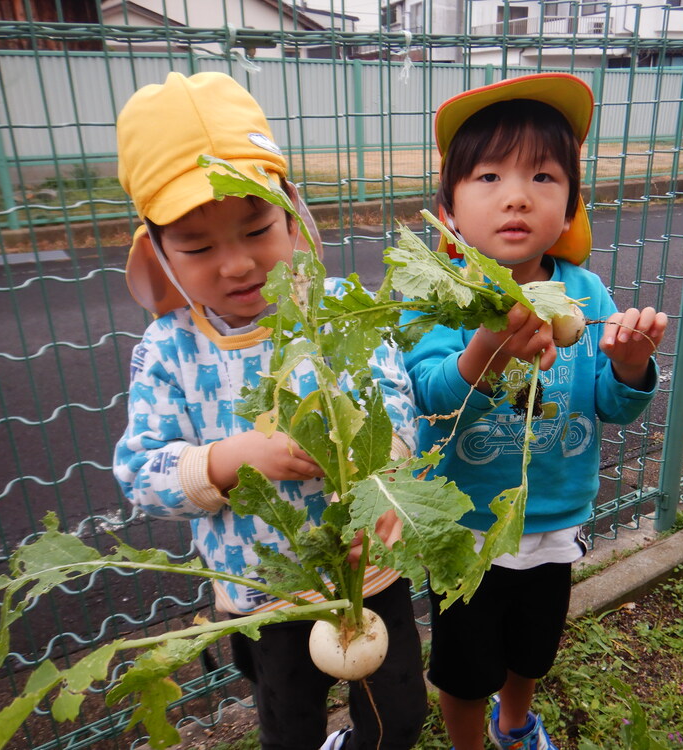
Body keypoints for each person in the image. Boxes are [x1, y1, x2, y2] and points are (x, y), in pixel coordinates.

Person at [112, 71, 426, 750]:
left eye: (256, 228)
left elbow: (396, 403)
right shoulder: (168, 350)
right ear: (159, 255)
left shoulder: (339, 305)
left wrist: (386, 492)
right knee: (289, 729)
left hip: (369, 572)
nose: (236, 264)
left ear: (293, 217)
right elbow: (140, 473)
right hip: (264, 597)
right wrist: (231, 459)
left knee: (398, 717)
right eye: (198, 247)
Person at [402, 73, 668, 750]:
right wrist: (482, 358)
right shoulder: (440, 295)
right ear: (451, 208)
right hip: (462, 530)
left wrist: (631, 363)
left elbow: (611, 404)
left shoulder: (584, 293)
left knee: (532, 650)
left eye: (544, 177)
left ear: (572, 203)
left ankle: (515, 721)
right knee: (463, 669)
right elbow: (426, 398)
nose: (517, 195)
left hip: (555, 519)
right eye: (489, 176)